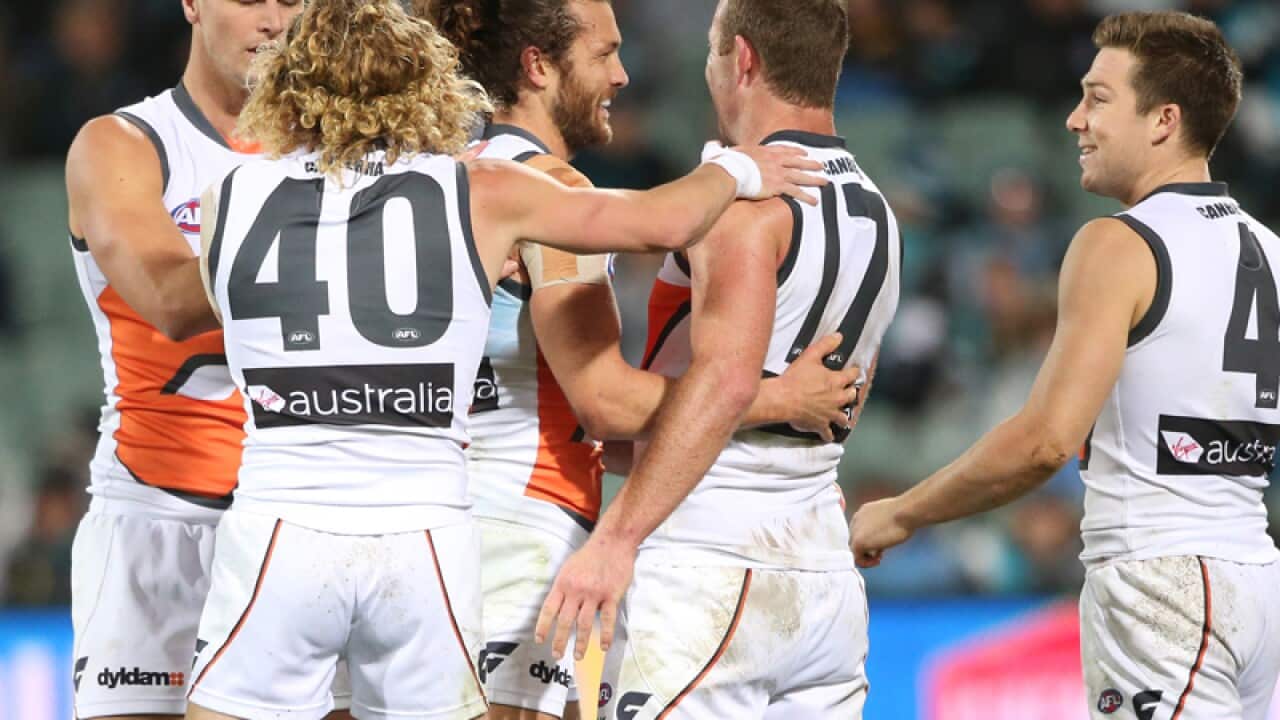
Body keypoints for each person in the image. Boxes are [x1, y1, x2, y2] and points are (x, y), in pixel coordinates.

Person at [183, 1, 826, 718]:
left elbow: (224, 313)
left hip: (282, 519)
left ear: (286, 87)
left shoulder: (226, 196)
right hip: (438, 528)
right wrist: (740, 167)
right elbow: (658, 224)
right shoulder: (482, 189)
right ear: (426, 81)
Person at [425, 1, 860, 717]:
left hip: (444, 515)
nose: (622, 75)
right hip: (520, 532)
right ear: (538, 67)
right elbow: (608, 405)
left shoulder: (449, 176)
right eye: (604, 54)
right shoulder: (551, 197)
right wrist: (778, 401)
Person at [852, 11, 1280, 720]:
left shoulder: (1116, 244)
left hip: (1160, 582)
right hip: (1257, 581)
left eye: (1098, 98)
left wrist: (902, 513)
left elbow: (1046, 440)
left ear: (1163, 120)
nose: (1075, 119)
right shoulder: (1268, 248)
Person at [537, 1, 901, 717]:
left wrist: (617, 538)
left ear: (742, 59)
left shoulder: (739, 205)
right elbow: (846, 393)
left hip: (711, 558)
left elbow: (728, 381)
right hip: (822, 568)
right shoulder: (878, 206)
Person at [62, 1, 361, 717]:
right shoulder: (122, 145)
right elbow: (167, 298)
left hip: (308, 522)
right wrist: (349, 256)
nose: (273, 21)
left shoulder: (347, 153)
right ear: (193, 4)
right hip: (157, 521)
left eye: (293, 2)